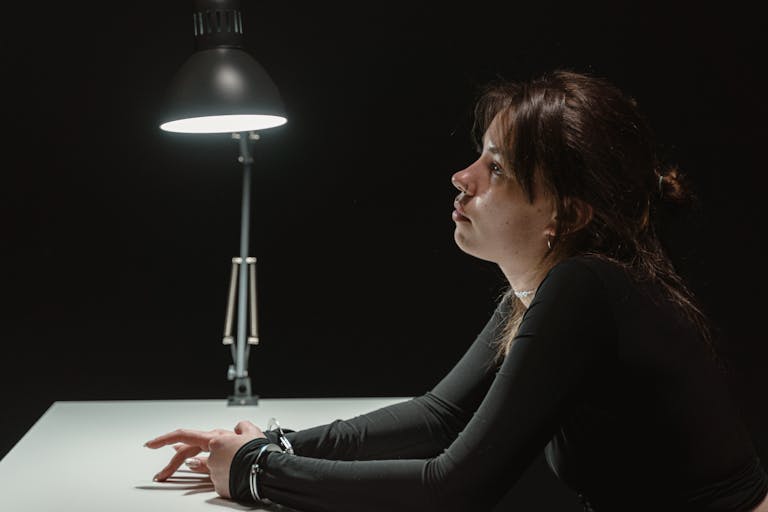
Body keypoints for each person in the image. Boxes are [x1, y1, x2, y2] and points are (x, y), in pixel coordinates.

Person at [145, 70, 768, 512]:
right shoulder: (558, 285)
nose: (461, 177)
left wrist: (258, 474)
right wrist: (271, 445)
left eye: (495, 169)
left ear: (568, 217)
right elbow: (436, 417)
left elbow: (454, 487)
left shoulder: (588, 288)